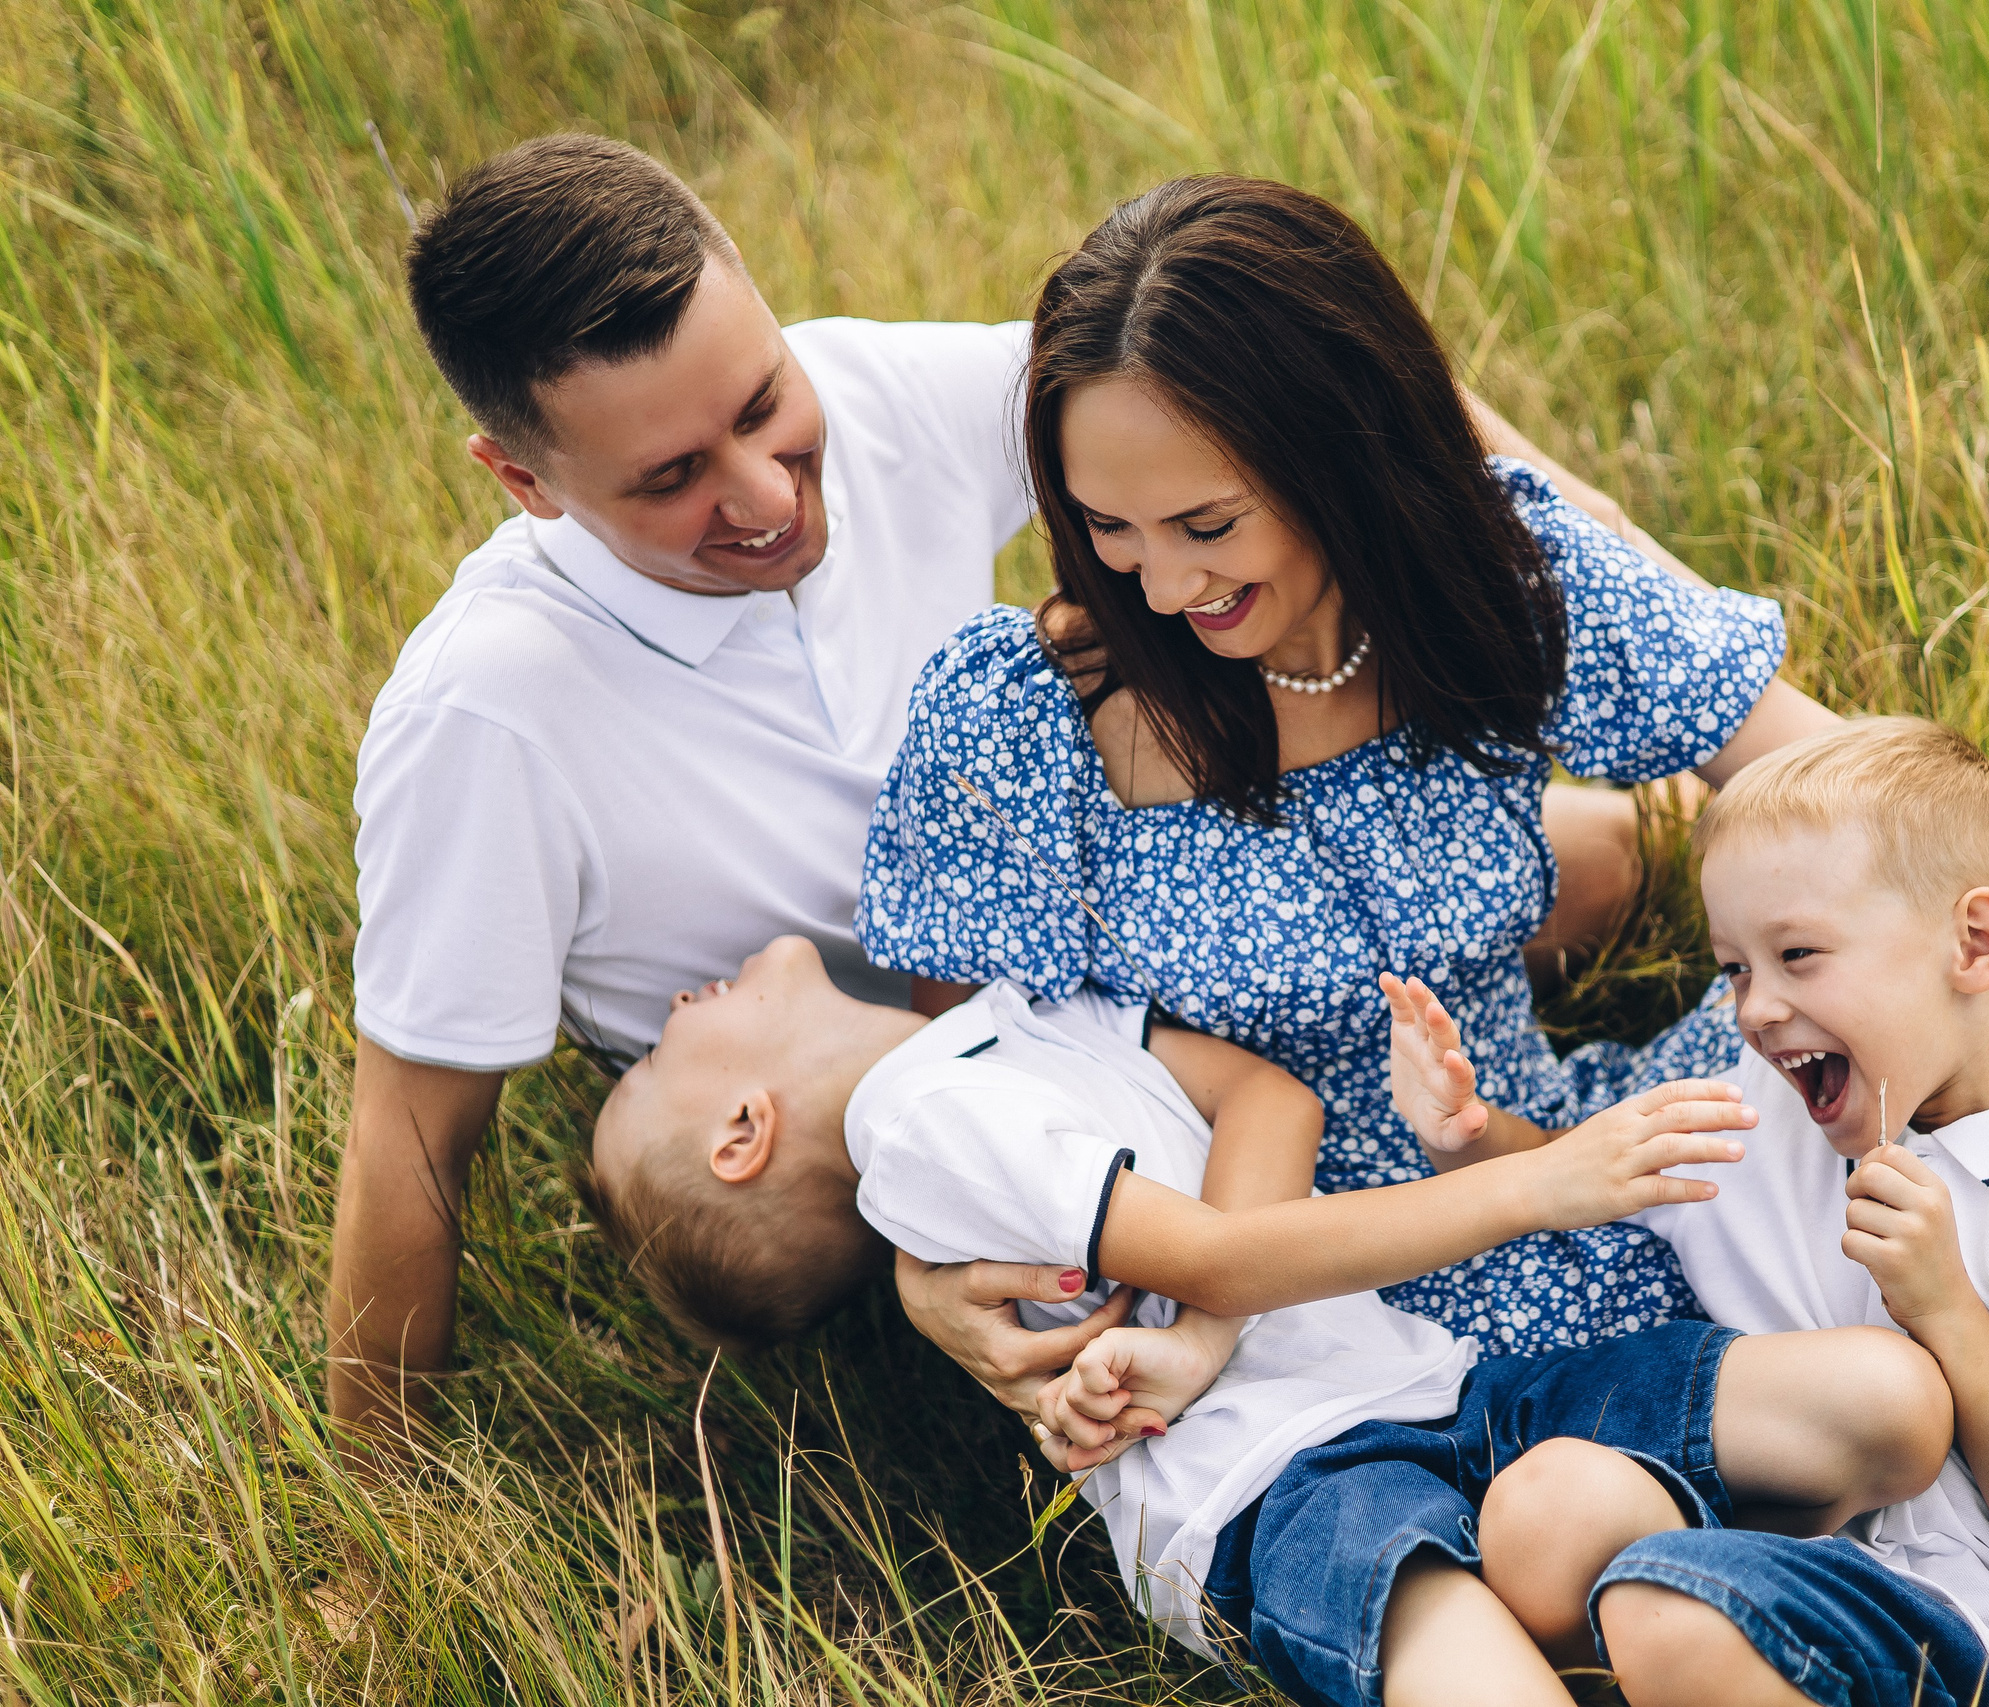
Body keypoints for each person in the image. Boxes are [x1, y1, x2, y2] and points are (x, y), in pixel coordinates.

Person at [862, 172, 1989, 1422]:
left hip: (1601, 1160)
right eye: (1111, 530)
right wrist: (941, 1289)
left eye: (1207, 524)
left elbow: (1888, 805)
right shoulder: (1022, 721)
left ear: (1343, 450)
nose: (1159, 584)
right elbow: (978, 1105)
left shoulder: (1482, 578)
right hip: (1334, 1318)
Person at [331, 137, 1646, 1441]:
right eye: (670, 479)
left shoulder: (878, 391)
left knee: (1594, 851)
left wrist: (1645, 602)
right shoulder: (486, 713)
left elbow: (1307, 391)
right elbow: (411, 1134)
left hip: (1097, 931)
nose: (763, 493)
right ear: (524, 482)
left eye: (759, 405)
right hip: (854, 1113)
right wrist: (378, 1506)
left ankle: (1370, 1120)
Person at [581, 934, 1954, 1705]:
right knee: (1435, 1635)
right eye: (660, 1051)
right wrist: (1540, 1181)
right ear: (744, 1133)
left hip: (1425, 1378)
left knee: (1886, 1397)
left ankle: (1604, 1614)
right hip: (1263, 1483)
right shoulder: (915, 1125)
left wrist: (1198, 1332)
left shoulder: (1003, 1027)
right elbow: (1215, 1250)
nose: (677, 996)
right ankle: (1614, 1623)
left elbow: (1268, 1102)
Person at [1403, 719, 1989, 1707]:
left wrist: (1949, 1313)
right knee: (1550, 1509)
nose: (1752, 1009)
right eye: (1735, 968)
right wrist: (1473, 1134)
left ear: (1973, 944)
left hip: (1968, 1641)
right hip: (1764, 1566)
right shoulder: (1763, 1121)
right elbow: (1584, 1175)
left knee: (1672, 1614)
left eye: (1797, 955)